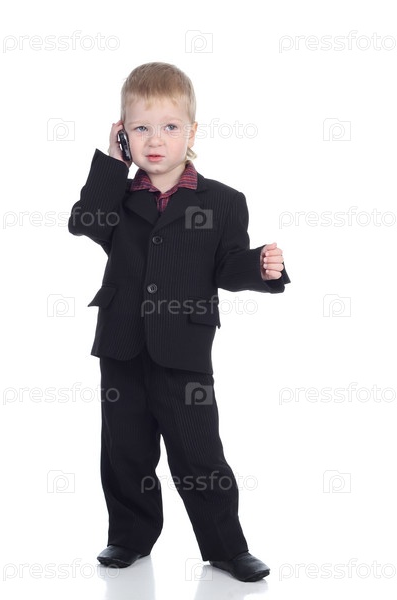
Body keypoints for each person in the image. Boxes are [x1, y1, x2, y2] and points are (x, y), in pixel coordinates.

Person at [68, 62, 290, 583]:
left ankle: (227, 547)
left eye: (170, 126)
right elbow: (84, 222)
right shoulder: (117, 199)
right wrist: (111, 162)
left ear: (192, 132)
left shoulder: (224, 201)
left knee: (200, 454)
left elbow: (226, 266)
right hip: (122, 346)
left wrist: (260, 268)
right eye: (141, 127)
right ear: (124, 133)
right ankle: (129, 537)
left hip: (183, 349)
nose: (155, 139)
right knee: (124, 451)